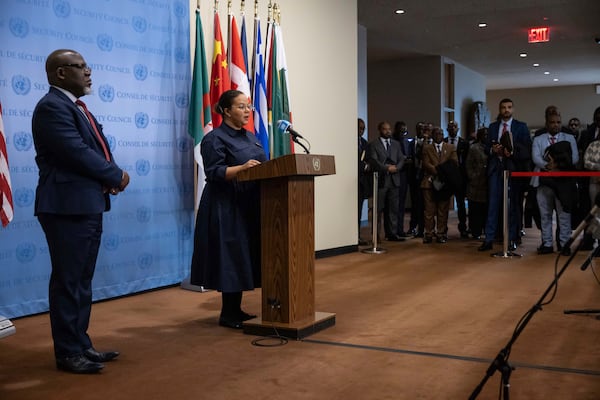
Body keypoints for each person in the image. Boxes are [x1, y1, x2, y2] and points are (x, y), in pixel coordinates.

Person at [32, 49, 130, 374]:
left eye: (88, 67)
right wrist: (114, 175)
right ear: (61, 73)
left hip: (87, 203)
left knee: (82, 280)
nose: (89, 73)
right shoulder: (51, 108)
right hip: (66, 207)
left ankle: (81, 344)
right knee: (68, 281)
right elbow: (75, 152)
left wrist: (109, 176)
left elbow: (96, 148)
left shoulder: (76, 107)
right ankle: (68, 352)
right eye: (81, 67)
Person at [190, 90, 265, 330]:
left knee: (242, 255)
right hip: (225, 204)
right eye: (241, 107)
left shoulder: (250, 137)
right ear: (225, 111)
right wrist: (241, 168)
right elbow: (214, 172)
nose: (247, 111)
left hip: (248, 203)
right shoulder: (215, 139)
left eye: (248, 107)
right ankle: (228, 313)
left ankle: (235, 309)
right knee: (230, 256)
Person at [478, 98, 531, 252]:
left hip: (513, 169)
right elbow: (486, 147)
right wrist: (492, 150)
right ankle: (489, 238)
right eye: (503, 107)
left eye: (509, 107)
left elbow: (526, 147)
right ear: (500, 109)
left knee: (512, 205)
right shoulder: (493, 127)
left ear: (513, 109)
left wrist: (512, 151)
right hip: (495, 169)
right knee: (493, 205)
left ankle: (512, 238)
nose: (506, 110)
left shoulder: (521, 127)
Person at [531, 107, 578, 255]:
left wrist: (558, 165)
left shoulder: (569, 138)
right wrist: (548, 166)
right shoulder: (538, 139)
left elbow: (575, 158)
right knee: (545, 214)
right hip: (543, 180)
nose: (555, 125)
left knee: (564, 214)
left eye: (558, 122)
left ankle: (565, 244)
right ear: (547, 123)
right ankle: (547, 243)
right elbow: (536, 157)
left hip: (563, 181)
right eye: (552, 122)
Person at [367, 121, 406, 241]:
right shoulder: (373, 144)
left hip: (394, 180)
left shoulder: (396, 144)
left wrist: (397, 168)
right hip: (381, 180)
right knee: (378, 209)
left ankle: (392, 233)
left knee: (393, 209)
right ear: (380, 130)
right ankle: (376, 235)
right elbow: (373, 161)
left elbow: (401, 159)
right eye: (385, 129)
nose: (388, 131)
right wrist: (387, 168)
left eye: (389, 129)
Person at [420, 126, 459, 243]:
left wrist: (442, 172)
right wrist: (439, 171)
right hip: (429, 182)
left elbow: (454, 162)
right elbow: (426, 164)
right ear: (432, 135)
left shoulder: (450, 147)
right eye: (436, 133)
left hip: (444, 184)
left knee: (443, 209)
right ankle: (428, 233)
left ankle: (441, 233)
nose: (439, 135)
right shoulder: (426, 148)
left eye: (441, 133)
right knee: (429, 210)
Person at [444, 120, 470, 238]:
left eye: (454, 127)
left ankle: (463, 228)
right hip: (446, 178)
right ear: (447, 129)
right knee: (443, 205)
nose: (452, 129)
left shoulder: (464, 143)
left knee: (460, 205)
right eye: (450, 127)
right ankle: (442, 228)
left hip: (460, 178)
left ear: (458, 129)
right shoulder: (443, 142)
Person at [465, 127, 488, 239]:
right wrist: (472, 176)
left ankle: (486, 230)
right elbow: (468, 165)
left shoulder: (492, 148)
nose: (486, 137)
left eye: (488, 134)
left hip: (487, 184)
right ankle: (476, 232)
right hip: (476, 184)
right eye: (484, 134)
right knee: (475, 211)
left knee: (485, 210)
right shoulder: (474, 148)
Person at [392, 120, 413, 237]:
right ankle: (392, 231)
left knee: (401, 205)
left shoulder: (406, 142)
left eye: (405, 132)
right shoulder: (392, 142)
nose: (403, 134)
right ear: (396, 131)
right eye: (401, 131)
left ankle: (400, 230)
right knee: (392, 205)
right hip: (394, 175)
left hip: (404, 175)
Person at [358, 118, 371, 245]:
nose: (361, 131)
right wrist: (363, 166)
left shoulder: (365, 143)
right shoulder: (348, 142)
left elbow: (368, 159)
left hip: (362, 182)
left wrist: (366, 166)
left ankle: (358, 235)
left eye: (363, 128)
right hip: (351, 180)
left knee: (360, 209)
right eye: (359, 128)